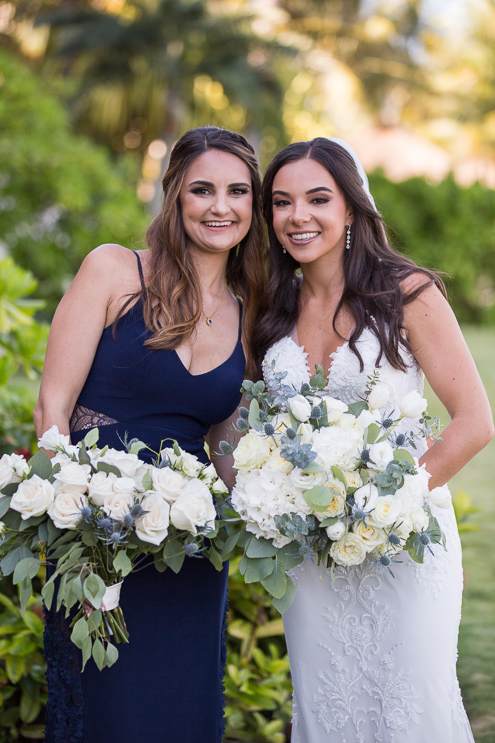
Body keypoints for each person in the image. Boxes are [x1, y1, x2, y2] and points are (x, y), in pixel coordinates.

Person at [253, 137, 494, 743]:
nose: (297, 216)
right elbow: (254, 429)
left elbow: (473, 421)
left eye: (317, 199)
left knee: (411, 705)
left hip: (404, 543)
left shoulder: (404, 292)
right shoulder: (270, 307)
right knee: (326, 706)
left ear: (353, 209)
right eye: (281, 202)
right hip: (308, 554)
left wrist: (386, 506)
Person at [34, 125, 267, 743]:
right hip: (95, 536)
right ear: (175, 196)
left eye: (238, 191)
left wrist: (264, 511)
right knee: (107, 711)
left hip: (188, 547)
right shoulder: (113, 271)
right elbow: (53, 405)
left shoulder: (251, 314)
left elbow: (222, 438)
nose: (221, 206)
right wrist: (69, 523)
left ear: (254, 205)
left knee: (181, 711)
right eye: (203, 189)